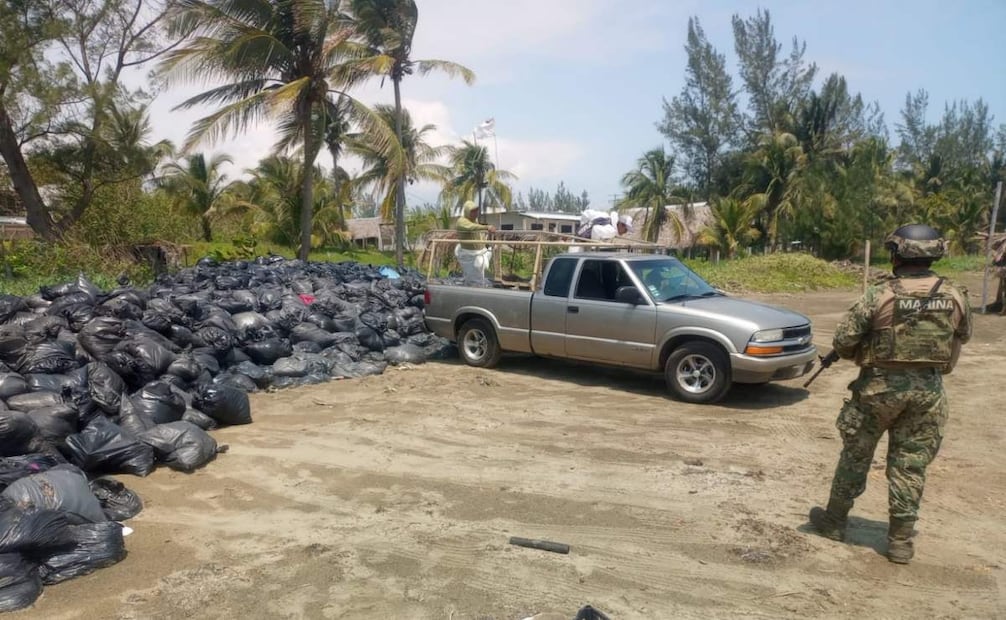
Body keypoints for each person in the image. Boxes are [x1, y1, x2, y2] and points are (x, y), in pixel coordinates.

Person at [808, 224, 973, 564]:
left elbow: (843, 341)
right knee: (910, 466)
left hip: (878, 390)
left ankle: (835, 523)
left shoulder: (879, 294)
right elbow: (963, 335)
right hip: (927, 393)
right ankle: (900, 541)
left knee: (855, 457)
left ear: (897, 255)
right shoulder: (956, 294)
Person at [454, 200, 495, 286]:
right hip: (469, 254)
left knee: (479, 273)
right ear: (467, 212)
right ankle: (474, 286)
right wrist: (486, 227)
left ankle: (478, 284)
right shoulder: (462, 221)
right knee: (473, 274)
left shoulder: (474, 220)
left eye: (476, 211)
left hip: (478, 252)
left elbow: (477, 230)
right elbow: (472, 227)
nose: (476, 213)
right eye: (473, 211)